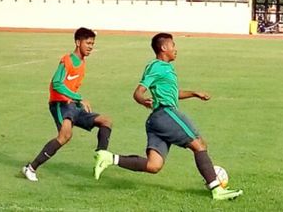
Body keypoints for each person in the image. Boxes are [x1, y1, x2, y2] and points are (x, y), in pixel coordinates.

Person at [93, 33, 243, 201]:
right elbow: (138, 92)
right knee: (199, 144)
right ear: (164, 48)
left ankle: (110, 158)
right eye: (173, 45)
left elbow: (172, 93)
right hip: (165, 114)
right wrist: (143, 101)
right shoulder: (157, 66)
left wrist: (194, 93)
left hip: (156, 120)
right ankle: (216, 189)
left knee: (154, 165)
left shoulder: (165, 68)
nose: (176, 49)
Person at [21, 27, 113, 182]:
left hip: (72, 106)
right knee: (65, 136)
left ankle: (101, 157)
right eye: (88, 43)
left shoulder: (82, 62)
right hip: (59, 104)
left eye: (92, 43)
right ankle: (30, 168)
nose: (90, 46)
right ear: (78, 42)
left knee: (106, 121)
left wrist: (76, 102)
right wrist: (78, 98)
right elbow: (57, 83)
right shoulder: (67, 60)